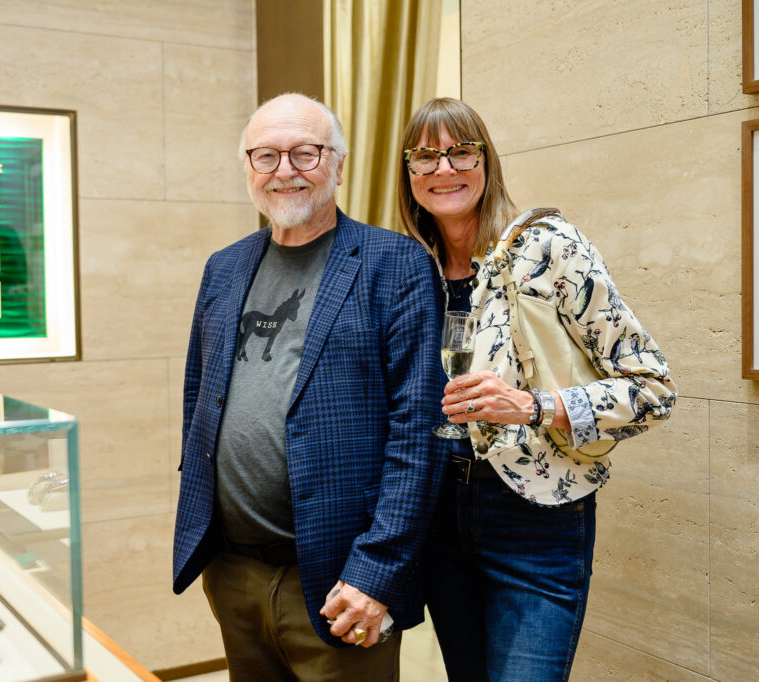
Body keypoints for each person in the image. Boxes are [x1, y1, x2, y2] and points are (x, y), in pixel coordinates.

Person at [397, 97, 676, 681]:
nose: (443, 170)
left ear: (486, 161)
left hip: (536, 523)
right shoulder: (405, 269)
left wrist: (533, 406)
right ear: (408, 173)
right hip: (440, 519)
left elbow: (653, 389)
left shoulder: (548, 248)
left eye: (460, 152)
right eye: (425, 157)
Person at [173, 93, 446, 680]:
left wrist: (376, 573)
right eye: (266, 156)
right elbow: (200, 397)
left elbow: (419, 434)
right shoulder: (224, 266)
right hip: (234, 572)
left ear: (339, 166)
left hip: (337, 581)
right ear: (248, 167)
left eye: (305, 153)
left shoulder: (394, 264)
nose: (285, 171)